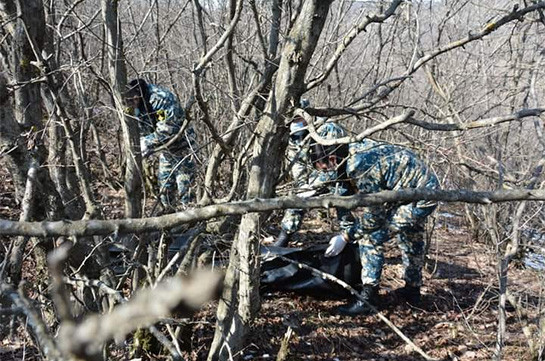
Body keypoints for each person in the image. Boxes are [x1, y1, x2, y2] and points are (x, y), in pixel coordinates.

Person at [308, 123, 440, 315]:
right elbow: (344, 192)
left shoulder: (358, 164)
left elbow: (374, 217)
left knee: (370, 236)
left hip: (421, 195)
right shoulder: (350, 149)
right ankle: (412, 291)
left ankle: (368, 299)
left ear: (332, 158)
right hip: (409, 191)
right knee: (410, 236)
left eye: (324, 167)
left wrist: (346, 236)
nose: (324, 172)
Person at [274, 112, 348, 247]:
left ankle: (348, 239)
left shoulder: (327, 128)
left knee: (344, 203)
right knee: (296, 199)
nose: (296, 122)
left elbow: (334, 165)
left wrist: (313, 187)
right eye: (293, 119)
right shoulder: (293, 137)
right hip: (315, 178)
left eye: (299, 118)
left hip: (342, 175)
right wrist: (303, 188)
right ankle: (283, 238)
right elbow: (297, 167)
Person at [123, 78, 198, 211]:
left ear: (137, 96)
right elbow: (134, 125)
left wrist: (146, 142)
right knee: (165, 192)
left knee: (186, 192)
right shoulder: (129, 104)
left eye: (132, 102)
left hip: (184, 148)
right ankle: (170, 224)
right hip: (166, 151)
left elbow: (168, 129)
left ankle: (192, 225)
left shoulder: (160, 99)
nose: (130, 107)